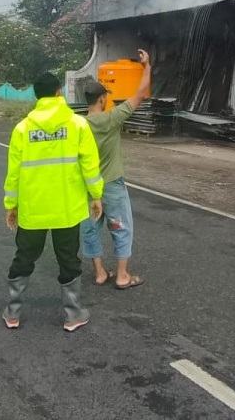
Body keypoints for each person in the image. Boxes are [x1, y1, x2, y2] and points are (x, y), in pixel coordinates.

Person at [2, 72, 104, 332]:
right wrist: (96, 195)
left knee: (24, 258)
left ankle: (13, 312)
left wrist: (11, 205)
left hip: (33, 209)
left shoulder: (22, 129)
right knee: (68, 259)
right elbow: (90, 166)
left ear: (36, 96)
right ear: (59, 92)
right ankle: (72, 315)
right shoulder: (78, 125)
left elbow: (13, 173)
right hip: (67, 209)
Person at [81, 49, 151, 290]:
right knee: (120, 226)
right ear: (102, 99)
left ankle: (99, 272)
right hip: (111, 184)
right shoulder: (113, 118)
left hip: (88, 185)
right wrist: (146, 65)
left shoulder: (78, 124)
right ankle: (122, 275)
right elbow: (141, 93)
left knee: (90, 228)